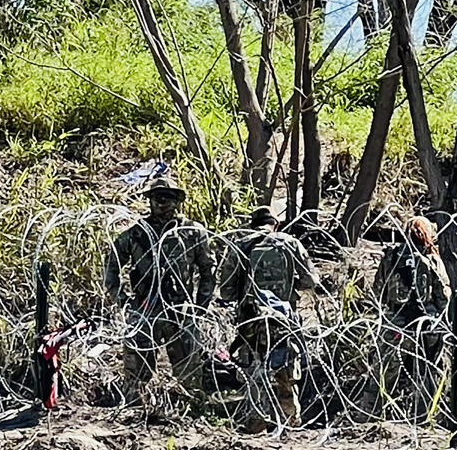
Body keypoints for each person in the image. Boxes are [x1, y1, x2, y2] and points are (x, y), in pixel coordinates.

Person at [102, 174, 218, 396]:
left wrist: (200, 306)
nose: (161, 202)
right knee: (136, 377)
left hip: (180, 309)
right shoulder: (136, 233)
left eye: (167, 197)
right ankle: (135, 411)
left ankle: (191, 408)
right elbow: (111, 269)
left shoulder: (192, 232)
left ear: (177, 201)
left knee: (190, 374)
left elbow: (208, 270)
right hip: (145, 308)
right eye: (156, 197)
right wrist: (124, 301)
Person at [217, 204, 321, 428]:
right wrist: (288, 284)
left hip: (251, 323)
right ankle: (291, 424)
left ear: (252, 224)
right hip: (283, 321)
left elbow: (226, 289)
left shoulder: (241, 245)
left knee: (256, 374)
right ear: (276, 224)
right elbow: (311, 280)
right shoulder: (289, 243)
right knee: (286, 375)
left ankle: (257, 424)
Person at [373, 215, 452, 417]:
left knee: (383, 374)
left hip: (396, 322)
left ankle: (372, 414)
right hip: (427, 322)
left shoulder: (390, 256)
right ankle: (425, 415)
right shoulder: (432, 259)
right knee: (432, 371)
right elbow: (443, 296)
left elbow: (378, 290)